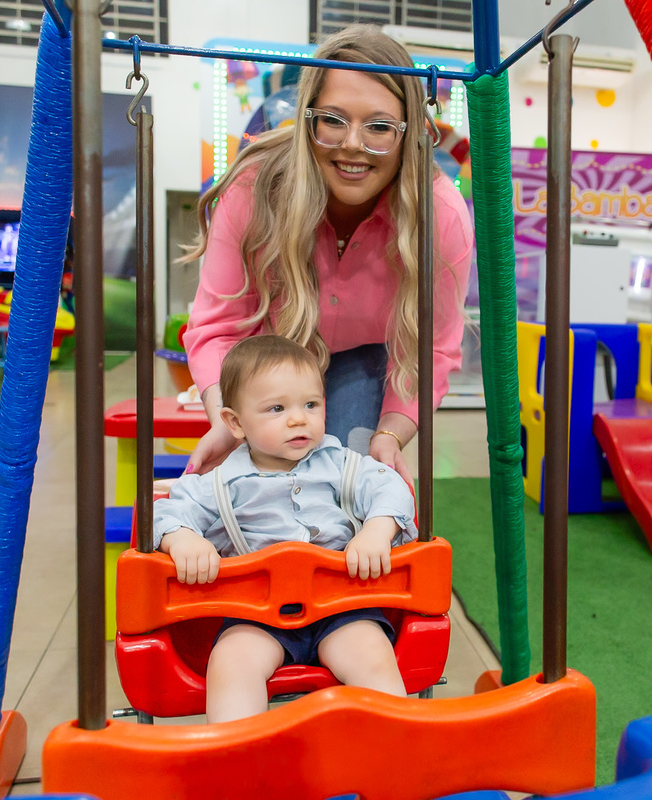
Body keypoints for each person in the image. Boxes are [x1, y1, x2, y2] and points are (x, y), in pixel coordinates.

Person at [181, 24, 474, 483]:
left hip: (364, 355)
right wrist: (226, 417)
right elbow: (218, 325)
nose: (353, 144)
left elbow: (431, 347)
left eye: (379, 127)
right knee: (258, 481)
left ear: (408, 134)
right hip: (267, 350)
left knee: (343, 482)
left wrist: (392, 434)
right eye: (334, 120)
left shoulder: (439, 216)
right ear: (308, 118)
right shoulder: (255, 190)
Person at [153, 335, 418, 723]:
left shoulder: (342, 464)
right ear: (235, 423)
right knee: (231, 663)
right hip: (255, 614)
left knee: (373, 656)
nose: (299, 418)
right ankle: (240, 759)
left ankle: (391, 749)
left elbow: (391, 486)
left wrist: (376, 530)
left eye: (311, 404)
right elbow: (166, 511)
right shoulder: (220, 483)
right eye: (277, 408)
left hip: (342, 607)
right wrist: (183, 539)